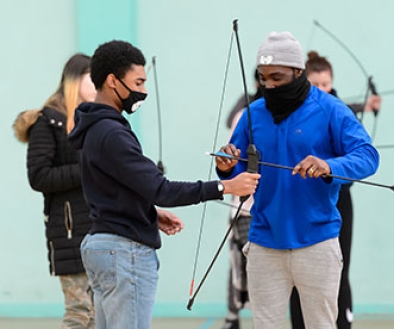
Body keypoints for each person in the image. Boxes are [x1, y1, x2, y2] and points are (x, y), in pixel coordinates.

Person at [66, 40, 260, 329]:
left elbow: (111, 189)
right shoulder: (111, 132)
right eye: (138, 82)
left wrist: (151, 214)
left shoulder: (94, 127)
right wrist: (226, 187)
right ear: (112, 81)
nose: (143, 90)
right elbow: (162, 189)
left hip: (103, 246)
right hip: (124, 252)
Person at [215, 31, 379, 329]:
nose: (269, 85)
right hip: (264, 242)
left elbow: (368, 156)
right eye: (263, 78)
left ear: (297, 71)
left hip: (317, 242)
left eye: (276, 77)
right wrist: (226, 167)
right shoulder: (253, 115)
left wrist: (329, 165)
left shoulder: (331, 109)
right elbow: (238, 169)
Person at [289, 51, 382, 329]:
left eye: (326, 84)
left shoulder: (339, 110)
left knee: (338, 268)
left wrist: (330, 167)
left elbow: (361, 154)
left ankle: (342, 323)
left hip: (337, 201)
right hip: (303, 202)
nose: (321, 91)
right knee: (297, 271)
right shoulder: (293, 112)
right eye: (314, 84)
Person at [13, 53, 97, 329]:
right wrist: (87, 168)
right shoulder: (47, 122)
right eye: (92, 78)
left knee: (100, 316)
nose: (99, 86)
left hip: (100, 231)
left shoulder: (93, 120)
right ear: (74, 80)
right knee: (79, 314)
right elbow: (39, 176)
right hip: (70, 233)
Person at [222, 70, 262, 329]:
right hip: (246, 209)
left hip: (275, 211)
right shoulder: (245, 114)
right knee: (243, 263)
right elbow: (230, 161)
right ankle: (232, 316)